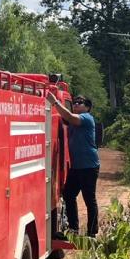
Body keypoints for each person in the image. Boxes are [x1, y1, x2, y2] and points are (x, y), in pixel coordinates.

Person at [48, 92, 100, 237]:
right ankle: (73, 229)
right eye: (75, 102)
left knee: (89, 199)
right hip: (76, 166)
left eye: (79, 102)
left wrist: (55, 102)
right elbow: (65, 118)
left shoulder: (86, 118)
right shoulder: (73, 121)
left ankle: (92, 233)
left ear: (87, 107)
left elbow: (69, 117)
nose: (76, 104)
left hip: (89, 166)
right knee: (69, 194)